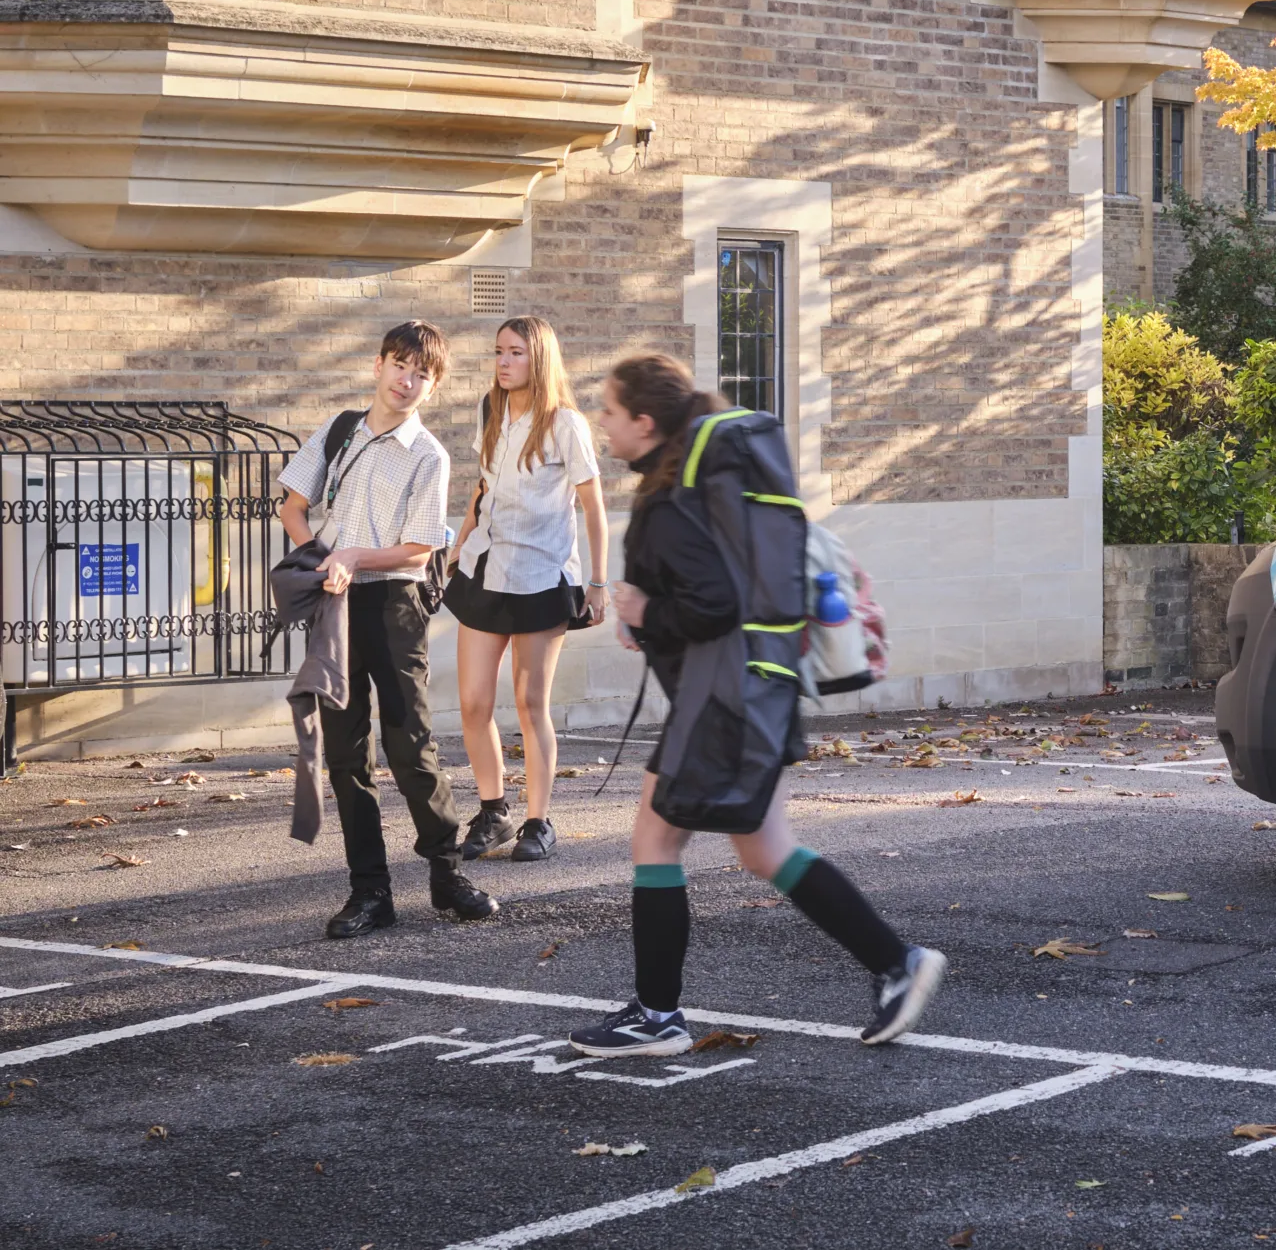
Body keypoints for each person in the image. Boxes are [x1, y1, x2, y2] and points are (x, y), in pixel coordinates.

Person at [569, 354, 946, 1056]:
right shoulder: (695, 486)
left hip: (718, 702)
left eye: (610, 413)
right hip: (755, 689)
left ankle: (656, 1016)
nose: (603, 424)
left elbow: (713, 605)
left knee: (655, 841)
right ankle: (897, 963)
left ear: (644, 423)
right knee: (765, 846)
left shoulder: (670, 503)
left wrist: (648, 608)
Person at [277, 320, 496, 938]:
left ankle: (448, 877)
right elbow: (291, 502)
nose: (408, 380)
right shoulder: (340, 430)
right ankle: (370, 893)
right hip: (336, 607)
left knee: (411, 747)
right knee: (347, 756)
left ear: (433, 386)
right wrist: (320, 557)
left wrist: (352, 557)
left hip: (396, 605)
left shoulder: (428, 453)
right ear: (378, 366)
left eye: (423, 373)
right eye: (400, 365)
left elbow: (422, 546)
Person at [445, 316, 608, 864]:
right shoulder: (490, 410)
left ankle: (539, 820)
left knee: (530, 702)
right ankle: (493, 812)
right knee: (472, 702)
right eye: (498, 352)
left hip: (542, 577)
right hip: (484, 569)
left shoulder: (566, 423)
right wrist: (459, 542)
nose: (503, 362)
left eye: (515, 353)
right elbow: (484, 485)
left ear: (538, 358)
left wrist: (599, 582)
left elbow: (592, 506)